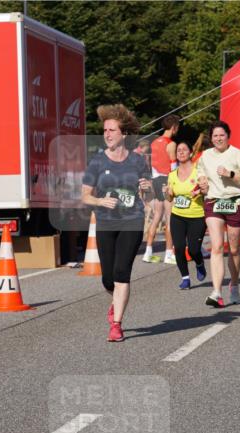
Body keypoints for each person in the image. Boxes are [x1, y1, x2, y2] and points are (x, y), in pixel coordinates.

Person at [81, 104, 152, 342]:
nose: (107, 134)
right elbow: (85, 196)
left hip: (132, 221)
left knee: (122, 272)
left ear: (124, 134)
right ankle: (115, 300)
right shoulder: (97, 162)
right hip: (106, 222)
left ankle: (117, 324)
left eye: (112, 130)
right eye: (105, 130)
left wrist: (147, 188)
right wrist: (100, 201)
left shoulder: (138, 161)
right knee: (108, 279)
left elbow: (149, 195)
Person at [197, 120, 240, 308]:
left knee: (234, 249)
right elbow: (200, 172)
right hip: (214, 202)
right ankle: (217, 292)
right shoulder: (206, 155)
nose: (218, 138)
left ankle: (234, 285)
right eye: (215, 136)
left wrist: (230, 173)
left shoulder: (237, 154)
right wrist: (202, 181)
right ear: (211, 138)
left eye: (222, 135)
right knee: (217, 247)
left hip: (236, 202)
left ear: (228, 136)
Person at [166, 141, 207, 289]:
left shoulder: (199, 171)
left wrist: (201, 191)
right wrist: (167, 193)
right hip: (177, 216)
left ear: (190, 153)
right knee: (178, 247)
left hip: (197, 216)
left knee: (193, 249)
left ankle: (199, 263)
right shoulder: (172, 175)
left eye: (184, 149)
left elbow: (207, 190)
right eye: (178, 150)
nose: (181, 152)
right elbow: (169, 198)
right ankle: (185, 278)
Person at [145, 114, 179, 264]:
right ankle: (169, 254)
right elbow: (173, 166)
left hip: (156, 180)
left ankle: (148, 252)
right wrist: (175, 184)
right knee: (170, 219)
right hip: (167, 181)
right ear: (174, 127)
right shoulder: (171, 144)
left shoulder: (154, 142)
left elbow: (152, 164)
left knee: (157, 216)